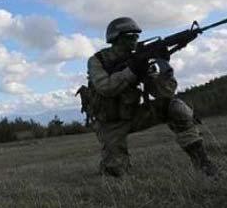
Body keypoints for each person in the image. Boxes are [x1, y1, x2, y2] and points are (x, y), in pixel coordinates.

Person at [87, 17, 217, 177]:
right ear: (115, 38)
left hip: (134, 115)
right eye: (129, 36)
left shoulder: (138, 59)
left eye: (136, 36)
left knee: (176, 107)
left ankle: (203, 164)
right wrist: (132, 71)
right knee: (116, 173)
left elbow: (164, 93)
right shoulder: (97, 61)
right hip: (110, 124)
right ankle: (110, 166)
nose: (134, 40)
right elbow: (105, 87)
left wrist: (164, 67)